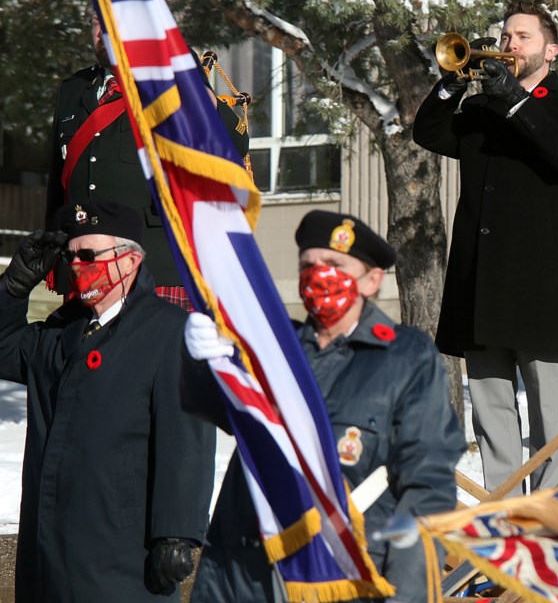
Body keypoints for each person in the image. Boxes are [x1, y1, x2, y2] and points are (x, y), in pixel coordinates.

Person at [183, 210, 466, 602]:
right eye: (308, 265)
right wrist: (203, 361)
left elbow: (427, 489)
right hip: (246, 574)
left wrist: (409, 592)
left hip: (341, 574)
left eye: (334, 265)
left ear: (371, 280)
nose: (318, 275)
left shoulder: (407, 358)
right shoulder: (273, 347)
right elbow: (213, 408)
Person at [413, 0, 558, 494]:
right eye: (505, 37)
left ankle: (547, 518)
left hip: (538, 286)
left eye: (522, 37)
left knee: (548, 418)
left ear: (552, 50)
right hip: (479, 286)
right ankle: (503, 518)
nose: (509, 45)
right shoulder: (480, 108)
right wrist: (450, 85)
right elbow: (429, 133)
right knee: (491, 416)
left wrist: (516, 103)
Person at [0, 200, 216, 602]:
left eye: (88, 255)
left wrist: (176, 533)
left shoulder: (169, 331)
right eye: (70, 256)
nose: (77, 265)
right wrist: (13, 288)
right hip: (47, 552)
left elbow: (186, 441)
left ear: (130, 259)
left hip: (120, 557)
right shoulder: (59, 331)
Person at [45, 13, 250, 308]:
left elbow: (231, 144)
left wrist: (193, 83)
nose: (102, 31)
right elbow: (59, 180)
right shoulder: (74, 88)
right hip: (84, 267)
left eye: (112, 20)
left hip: (156, 268)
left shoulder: (168, 81)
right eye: (96, 22)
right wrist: (54, 249)